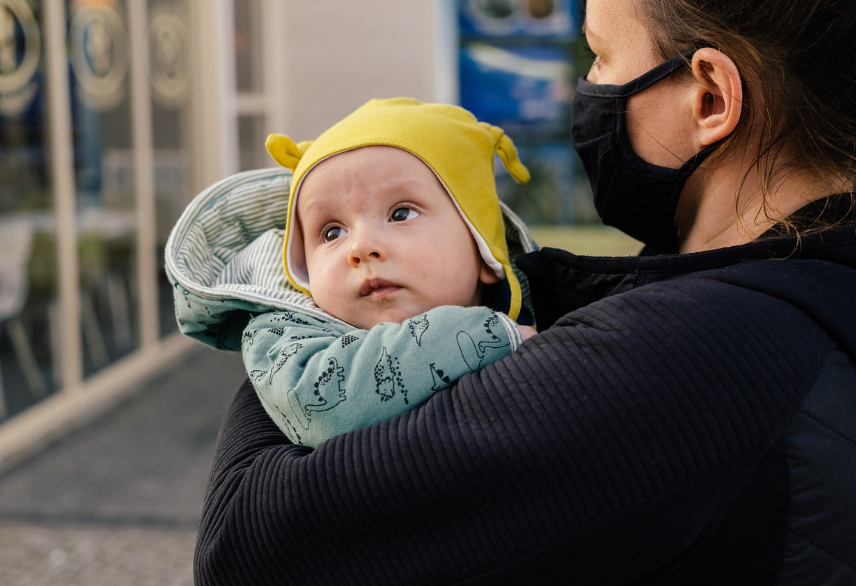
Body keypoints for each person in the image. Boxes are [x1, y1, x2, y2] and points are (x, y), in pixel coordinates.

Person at [191, 0, 856, 584]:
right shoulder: (772, 279)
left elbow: (247, 549)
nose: (585, 85)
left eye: (599, 55)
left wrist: (289, 313)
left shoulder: (701, 352)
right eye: (331, 232)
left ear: (708, 98)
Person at [166, 98, 537, 448]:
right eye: (332, 232)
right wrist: (489, 335)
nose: (360, 248)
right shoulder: (284, 336)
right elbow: (319, 403)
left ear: (483, 251)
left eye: (401, 213)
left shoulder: (552, 310)